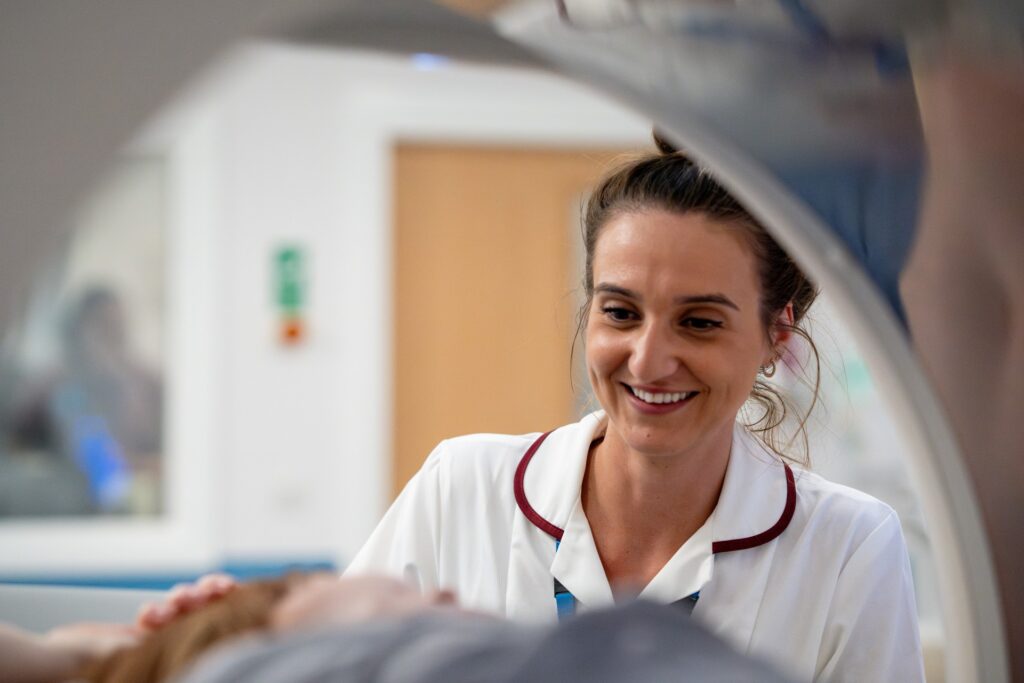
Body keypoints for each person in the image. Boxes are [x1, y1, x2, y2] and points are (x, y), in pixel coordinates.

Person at [339, 138, 924, 682]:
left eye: (699, 322)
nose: (647, 361)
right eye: (620, 313)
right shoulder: (461, 490)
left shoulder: (847, 546)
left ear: (777, 334)